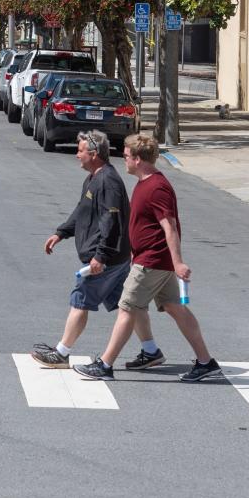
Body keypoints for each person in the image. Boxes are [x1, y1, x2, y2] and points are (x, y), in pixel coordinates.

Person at [75, 132, 220, 382]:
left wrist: (177, 262)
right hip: (152, 259)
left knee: (126, 308)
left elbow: (170, 227)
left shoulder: (157, 187)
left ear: (139, 159)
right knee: (176, 308)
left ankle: (105, 365)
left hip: (152, 261)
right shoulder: (146, 183)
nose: (124, 159)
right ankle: (205, 362)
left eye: (128, 156)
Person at [32, 130, 158, 368]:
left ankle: (61, 353)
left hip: (106, 258)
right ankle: (151, 350)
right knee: (130, 303)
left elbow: (111, 222)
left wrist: (100, 256)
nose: (77, 155)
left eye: (80, 151)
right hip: (115, 256)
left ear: (94, 154)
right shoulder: (94, 178)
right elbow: (83, 211)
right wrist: (61, 233)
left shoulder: (107, 181)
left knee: (80, 298)